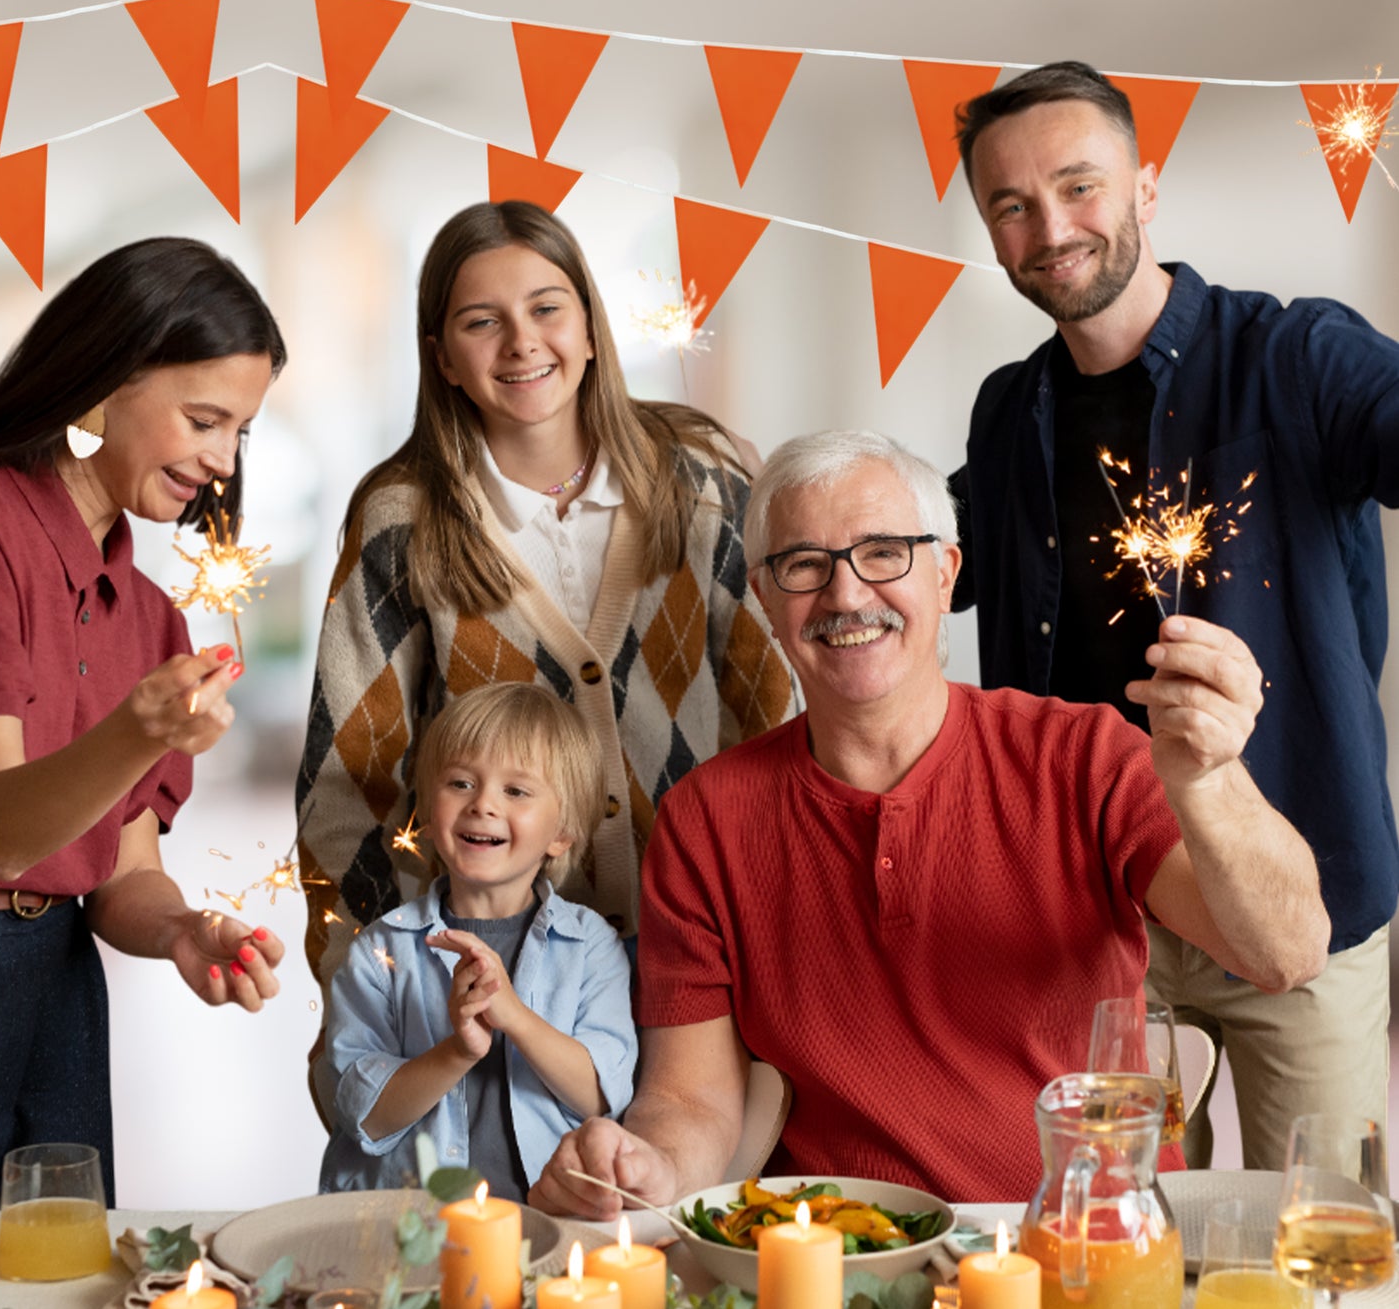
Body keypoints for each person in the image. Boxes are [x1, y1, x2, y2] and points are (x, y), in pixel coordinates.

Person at [529, 430, 1328, 1211]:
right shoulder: (704, 819)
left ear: (945, 573)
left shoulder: (1082, 756)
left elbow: (1286, 952)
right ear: (768, 601)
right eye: (804, 565)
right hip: (847, 1251)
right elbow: (691, 1096)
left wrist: (1212, 779)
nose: (845, 595)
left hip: (1083, 1241)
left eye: (884, 552)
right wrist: (650, 1167)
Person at [948, 60, 1399, 1171]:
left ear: (1144, 187)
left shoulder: (1294, 353)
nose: (1048, 227)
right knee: (1107, 1241)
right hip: (1095, 914)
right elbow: (925, 563)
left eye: (1076, 186)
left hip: (1302, 889)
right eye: (1009, 206)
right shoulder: (1009, 411)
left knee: (1327, 1240)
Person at [297, 201, 794, 1114]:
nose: (521, 342)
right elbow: (347, 784)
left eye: (546, 308)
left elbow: (770, 707)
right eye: (481, 321)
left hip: (702, 953)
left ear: (593, 326)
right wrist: (364, 998)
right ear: (442, 355)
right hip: (503, 978)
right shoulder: (401, 520)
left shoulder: (704, 474)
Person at [0, 238, 288, 1209]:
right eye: (203, 418)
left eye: (241, 431)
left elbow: (121, 877)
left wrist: (183, 926)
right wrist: (137, 732)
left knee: (54, 1263)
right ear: (102, 384)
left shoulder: (149, 613)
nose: (222, 461)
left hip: (57, 978)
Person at [320, 682, 636, 1196]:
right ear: (428, 807)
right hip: (410, 1234)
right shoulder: (381, 953)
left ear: (561, 834)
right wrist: (458, 1052)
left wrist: (513, 1015)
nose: (482, 804)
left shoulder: (592, 946)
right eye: (461, 783)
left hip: (551, 1220)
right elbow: (364, 1115)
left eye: (516, 791)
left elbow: (602, 1096)